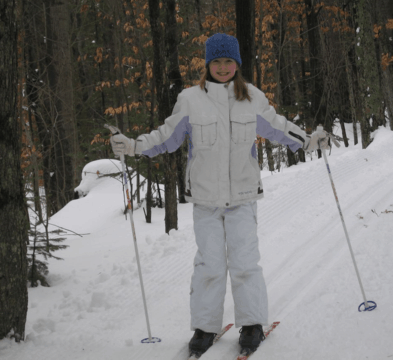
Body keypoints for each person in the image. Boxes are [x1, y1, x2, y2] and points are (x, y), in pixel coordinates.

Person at [109, 33, 328, 357]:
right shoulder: (190, 100)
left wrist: (308, 140)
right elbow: (167, 136)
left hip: (242, 198)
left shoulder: (252, 98)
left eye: (228, 61)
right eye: (216, 61)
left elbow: (279, 127)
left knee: (244, 263)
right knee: (208, 265)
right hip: (206, 201)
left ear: (236, 64)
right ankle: (205, 327)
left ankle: (252, 323)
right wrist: (133, 146)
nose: (222, 67)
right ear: (208, 64)